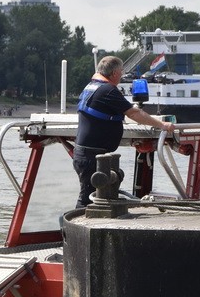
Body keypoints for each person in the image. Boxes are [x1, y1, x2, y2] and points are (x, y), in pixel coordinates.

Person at [73, 55, 175, 208]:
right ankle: (74, 227)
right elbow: (134, 113)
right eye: (121, 72)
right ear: (114, 73)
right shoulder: (107, 90)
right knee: (89, 198)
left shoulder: (92, 86)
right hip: (92, 157)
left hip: (86, 153)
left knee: (99, 190)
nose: (122, 75)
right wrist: (162, 125)